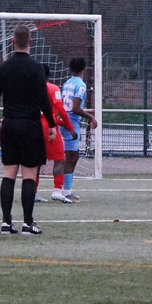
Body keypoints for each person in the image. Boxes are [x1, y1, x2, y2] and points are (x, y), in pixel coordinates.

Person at [0, 25, 57, 235]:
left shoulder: (3, 68)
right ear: (30, 42)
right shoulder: (36, 68)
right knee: (29, 175)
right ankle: (28, 223)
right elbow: (43, 99)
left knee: (8, 174)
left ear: (12, 43)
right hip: (30, 125)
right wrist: (52, 124)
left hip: (10, 124)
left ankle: (6, 222)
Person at [60, 57, 97, 202]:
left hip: (64, 121)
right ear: (84, 69)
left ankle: (63, 189)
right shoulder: (81, 85)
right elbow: (75, 108)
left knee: (70, 156)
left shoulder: (67, 83)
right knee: (71, 157)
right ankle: (65, 191)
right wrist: (91, 117)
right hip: (71, 123)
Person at [38, 64, 75, 203]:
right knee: (59, 158)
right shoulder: (53, 88)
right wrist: (70, 127)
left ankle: (33, 192)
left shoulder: (30, 88)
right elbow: (60, 109)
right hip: (49, 128)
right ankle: (57, 190)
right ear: (49, 75)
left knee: (35, 161)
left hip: (33, 127)